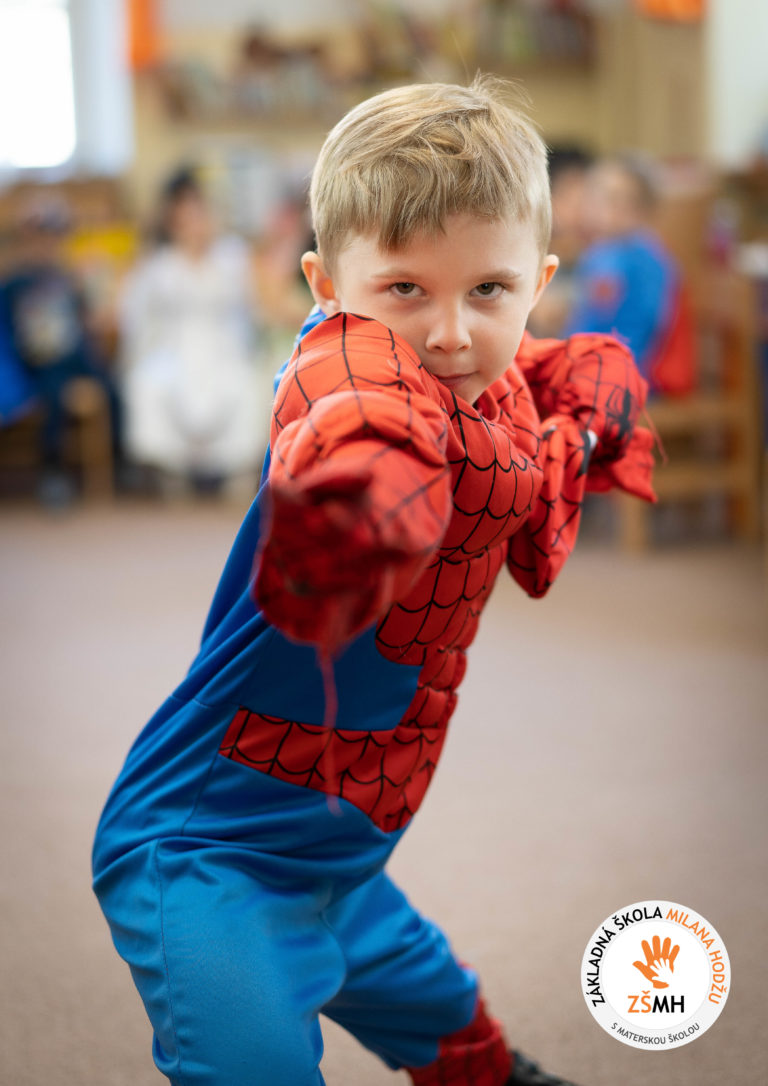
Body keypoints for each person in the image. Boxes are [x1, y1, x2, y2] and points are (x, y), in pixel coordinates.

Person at [92, 77, 655, 1086]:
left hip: (344, 848)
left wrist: (593, 408)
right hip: (208, 849)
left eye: (489, 290)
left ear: (539, 279)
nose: (447, 335)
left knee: (451, 1018)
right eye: (403, 290)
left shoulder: (501, 372)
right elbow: (363, 426)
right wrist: (358, 516)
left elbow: (576, 367)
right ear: (326, 287)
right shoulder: (351, 374)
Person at [119, 167, 265, 493]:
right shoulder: (157, 264)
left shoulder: (233, 258)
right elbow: (138, 315)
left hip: (222, 345)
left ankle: (236, 471)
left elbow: (253, 308)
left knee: (245, 383)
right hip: (173, 347)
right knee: (149, 384)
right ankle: (172, 471)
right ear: (174, 224)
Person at [0, 196, 122, 504]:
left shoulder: (68, 279)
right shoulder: (13, 285)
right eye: (38, 238)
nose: (45, 246)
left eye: (52, 239)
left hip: (76, 356)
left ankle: (119, 460)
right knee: (53, 399)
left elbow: (87, 318)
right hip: (40, 363)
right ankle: (52, 471)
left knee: (112, 387)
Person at [563, 153, 695, 396]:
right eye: (597, 196)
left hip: (629, 373)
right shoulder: (600, 251)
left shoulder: (646, 258)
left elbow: (648, 325)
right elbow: (587, 317)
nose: (600, 207)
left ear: (643, 210)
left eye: (615, 199)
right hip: (590, 360)